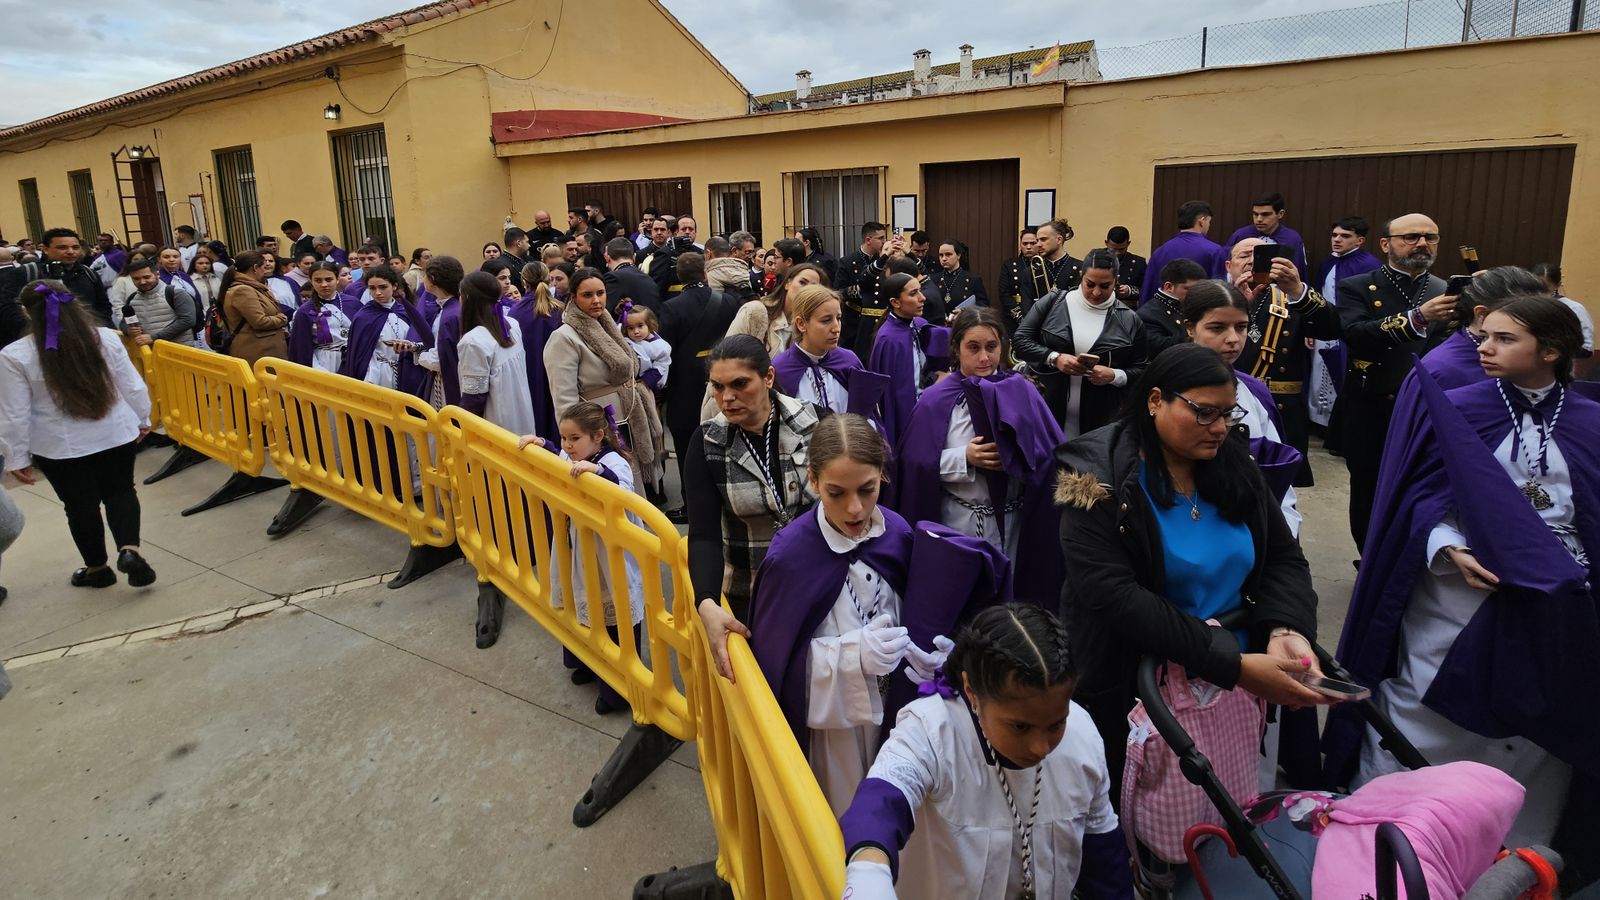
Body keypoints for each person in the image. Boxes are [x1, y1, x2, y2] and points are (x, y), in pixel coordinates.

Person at [1326, 296, 1597, 850]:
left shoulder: (1591, 421)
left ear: (1550, 351)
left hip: (1555, 597)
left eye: (1503, 339)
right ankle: (1390, 829)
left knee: (1535, 716)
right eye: (1484, 336)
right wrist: (1448, 546)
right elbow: (1420, 499)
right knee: (1425, 696)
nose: (1485, 347)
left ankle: (1513, 845)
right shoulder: (1462, 406)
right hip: (1459, 591)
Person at [1054, 343, 1325, 805]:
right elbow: (1114, 595)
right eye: (1203, 412)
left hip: (1234, 688)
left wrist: (1285, 627)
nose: (1219, 428)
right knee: (1146, 818)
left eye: (1227, 412)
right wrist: (1232, 664)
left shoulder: (1231, 463)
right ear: (1155, 400)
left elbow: (1282, 556)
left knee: (1230, 806)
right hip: (1138, 693)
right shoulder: (1098, 479)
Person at [839, 605, 1135, 900]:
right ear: (970, 690)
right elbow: (880, 802)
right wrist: (869, 872)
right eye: (1020, 727)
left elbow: (1105, 867)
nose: (1040, 748)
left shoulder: (1082, 734)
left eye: (1056, 724)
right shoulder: (932, 730)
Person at [746, 413, 913, 812]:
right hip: (834, 731)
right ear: (814, 480)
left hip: (897, 716)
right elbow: (775, 668)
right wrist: (853, 657)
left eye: (867, 489)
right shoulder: (790, 556)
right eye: (836, 493)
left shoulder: (898, 534)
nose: (855, 509)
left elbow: (917, 613)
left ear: (882, 477)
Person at [891, 306, 1064, 606]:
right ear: (957, 349)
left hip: (1013, 523)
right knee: (963, 601)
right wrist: (964, 457)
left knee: (1010, 601)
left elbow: (1051, 456)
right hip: (958, 520)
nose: (984, 357)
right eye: (973, 347)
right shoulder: (935, 399)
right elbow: (912, 463)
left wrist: (1021, 455)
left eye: (991, 347)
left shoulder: (1023, 391)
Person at [0, 279, 155, 588]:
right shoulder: (104, 339)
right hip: (114, 432)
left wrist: (16, 456)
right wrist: (143, 417)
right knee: (121, 491)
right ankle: (129, 549)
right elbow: (132, 384)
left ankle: (97, 568)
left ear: (26, 312)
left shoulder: (15, 355)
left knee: (79, 506)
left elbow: (14, 412)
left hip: (59, 445)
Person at [1335, 213, 1451, 553]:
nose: (1422, 244)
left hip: (1424, 408)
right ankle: (1369, 556)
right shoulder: (1357, 286)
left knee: (1419, 485)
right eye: (1411, 236)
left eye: (1430, 237)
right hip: (1372, 405)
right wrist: (1418, 318)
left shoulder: (1444, 290)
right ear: (1386, 244)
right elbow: (1357, 335)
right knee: (1368, 487)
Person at [1182, 280, 1303, 535]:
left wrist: (1284, 535)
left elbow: (1277, 479)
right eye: (1217, 328)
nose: (1233, 339)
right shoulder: (1166, 391)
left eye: (1242, 327)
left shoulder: (1255, 394)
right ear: (1191, 328)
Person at [1220, 236, 1342, 486]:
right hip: (1226, 401)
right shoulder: (1213, 296)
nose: (1252, 261)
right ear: (1228, 265)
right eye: (1244, 256)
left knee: (1280, 486)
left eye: (1260, 256)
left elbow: (1332, 329)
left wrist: (1298, 289)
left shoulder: (1290, 298)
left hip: (1282, 409)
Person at [543, 268, 664, 492]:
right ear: (573, 297)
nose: (596, 300)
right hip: (597, 428)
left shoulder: (609, 326)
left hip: (627, 417)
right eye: (587, 295)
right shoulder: (563, 337)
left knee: (630, 486)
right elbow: (564, 400)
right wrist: (577, 443)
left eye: (601, 293)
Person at [1014, 248, 1148, 439]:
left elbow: (1142, 370)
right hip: (1047, 409)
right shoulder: (1053, 301)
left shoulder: (1131, 320)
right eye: (1090, 284)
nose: (1096, 292)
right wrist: (1054, 358)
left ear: (1116, 281)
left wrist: (1115, 375)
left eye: (1105, 286)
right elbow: (1020, 341)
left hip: (1100, 420)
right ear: (1081, 276)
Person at [1307, 216, 1382, 431]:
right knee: (1319, 372)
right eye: (1334, 235)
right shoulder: (1328, 261)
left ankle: (1337, 424)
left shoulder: (1368, 266)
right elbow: (1318, 294)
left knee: (1340, 373)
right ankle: (1318, 420)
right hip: (1324, 326)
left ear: (1360, 240)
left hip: (1349, 329)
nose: (1337, 240)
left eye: (1345, 236)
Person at [770, 285, 887, 419]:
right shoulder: (780, 369)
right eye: (826, 320)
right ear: (801, 324)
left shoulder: (848, 360)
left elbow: (868, 416)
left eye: (838, 318)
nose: (836, 328)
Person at [451, 270, 537, 437]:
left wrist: (460, 429)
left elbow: (474, 398)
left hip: (496, 427)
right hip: (522, 417)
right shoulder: (511, 325)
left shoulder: (473, 341)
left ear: (468, 298)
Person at [868, 272, 948, 444]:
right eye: (913, 294)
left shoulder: (918, 324)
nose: (923, 298)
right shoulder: (888, 339)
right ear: (895, 302)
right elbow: (890, 398)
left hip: (928, 408)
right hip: (907, 419)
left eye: (920, 290)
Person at [339, 264, 435, 400]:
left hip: (406, 371)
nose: (377, 293)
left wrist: (412, 347)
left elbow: (425, 342)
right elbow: (359, 355)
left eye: (383, 287)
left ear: (394, 286)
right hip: (376, 374)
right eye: (372, 288)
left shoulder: (407, 312)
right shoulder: (363, 317)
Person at [0, 228, 114, 340]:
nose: (70, 251)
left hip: (87, 339)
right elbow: (10, 309)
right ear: (45, 249)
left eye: (75, 247)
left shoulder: (88, 273)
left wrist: (96, 329)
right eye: (62, 247)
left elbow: (103, 306)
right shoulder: (26, 273)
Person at [507, 261, 564, 440]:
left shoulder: (514, 312)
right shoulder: (560, 309)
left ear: (524, 282)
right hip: (558, 375)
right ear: (549, 281)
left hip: (528, 374)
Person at [1141, 201, 1223, 303]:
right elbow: (1220, 291)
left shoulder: (1159, 252)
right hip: (1199, 313)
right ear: (1202, 221)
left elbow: (1148, 289)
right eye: (1209, 222)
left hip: (1163, 313)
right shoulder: (1215, 251)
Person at [836, 222, 895, 360]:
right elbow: (839, 292)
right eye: (880, 238)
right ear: (868, 240)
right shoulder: (847, 261)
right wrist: (860, 290)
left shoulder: (884, 260)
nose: (884, 241)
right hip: (855, 321)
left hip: (878, 320)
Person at [220, 250, 288, 367]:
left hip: (266, 351)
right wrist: (282, 319)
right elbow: (259, 322)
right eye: (263, 266)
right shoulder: (243, 290)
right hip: (257, 352)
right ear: (255, 268)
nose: (265, 270)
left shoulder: (254, 287)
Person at [1220, 192, 1308, 279]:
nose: (1259, 219)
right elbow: (1225, 267)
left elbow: (1299, 272)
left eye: (1265, 214)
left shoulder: (1292, 239)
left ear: (1280, 214)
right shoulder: (1241, 235)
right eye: (1255, 214)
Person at [1532, 262, 1595, 376]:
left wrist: (1552, 350)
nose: (1539, 293)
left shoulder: (1574, 308)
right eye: (1536, 287)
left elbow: (1586, 348)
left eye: (1545, 288)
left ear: (1557, 285)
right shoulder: (1522, 306)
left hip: (1558, 373)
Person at [119, 259, 197, 351]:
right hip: (151, 354)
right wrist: (127, 331)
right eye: (136, 279)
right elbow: (123, 323)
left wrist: (154, 337)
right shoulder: (132, 298)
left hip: (179, 352)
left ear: (157, 274)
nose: (142, 282)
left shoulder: (176, 293)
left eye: (147, 277)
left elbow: (188, 320)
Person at [1136, 258, 1207, 357]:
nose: (1197, 293)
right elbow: (1160, 349)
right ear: (1169, 287)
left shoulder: (1195, 306)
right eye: (1190, 289)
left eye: (1200, 288)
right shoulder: (1147, 316)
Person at [288, 262, 351, 372]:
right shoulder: (304, 311)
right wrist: (317, 369)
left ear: (337, 279)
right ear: (311, 281)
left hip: (351, 358)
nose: (324, 284)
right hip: (323, 363)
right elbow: (301, 347)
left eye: (328, 279)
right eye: (318, 280)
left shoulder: (352, 303)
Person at [995, 227, 1049, 330]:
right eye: (1025, 243)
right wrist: (1019, 316)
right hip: (1015, 317)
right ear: (1020, 244)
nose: (1028, 247)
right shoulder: (1009, 265)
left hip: (1041, 315)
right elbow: (1004, 293)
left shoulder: (1045, 265)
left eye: (1032, 243)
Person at [601, 237, 662, 315]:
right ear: (634, 257)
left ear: (607, 258)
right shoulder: (649, 279)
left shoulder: (613, 277)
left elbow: (605, 312)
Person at [622, 303, 670, 401]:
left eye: (640, 326)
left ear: (650, 325)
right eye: (631, 328)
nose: (636, 331)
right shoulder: (629, 340)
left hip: (649, 385)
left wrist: (645, 382)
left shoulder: (660, 347)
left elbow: (661, 367)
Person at [929, 240, 987, 315]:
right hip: (939, 324)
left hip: (962, 322)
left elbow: (983, 305)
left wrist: (965, 312)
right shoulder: (934, 279)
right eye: (941, 255)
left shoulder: (972, 279)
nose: (944, 259)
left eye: (948, 254)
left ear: (958, 255)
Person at [1104, 225, 1147, 309]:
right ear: (1106, 243)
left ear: (1128, 244)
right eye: (1113, 249)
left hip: (1128, 311)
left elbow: (1146, 289)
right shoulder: (1094, 259)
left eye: (1121, 249)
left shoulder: (1139, 263)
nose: (1117, 253)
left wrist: (1130, 290)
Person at [1035, 219, 1082, 294]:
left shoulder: (1080, 268)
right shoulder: (1033, 271)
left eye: (1043, 239)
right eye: (1037, 240)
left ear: (1059, 240)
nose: (1038, 244)